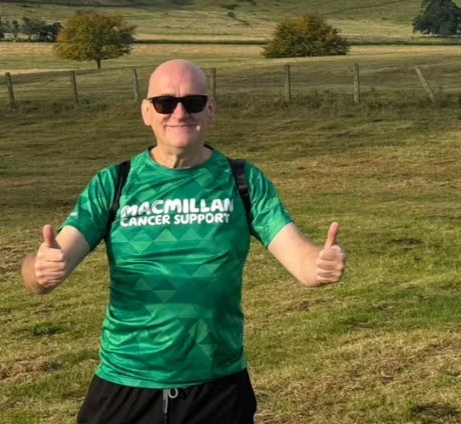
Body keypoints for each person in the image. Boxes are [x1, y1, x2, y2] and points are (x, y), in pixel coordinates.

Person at [21, 59, 346, 423]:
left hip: (217, 390)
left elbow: (301, 259)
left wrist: (319, 265)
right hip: (125, 383)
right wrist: (40, 270)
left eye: (192, 102)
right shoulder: (113, 183)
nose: (179, 112)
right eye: (164, 103)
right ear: (147, 112)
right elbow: (42, 271)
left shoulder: (243, 182)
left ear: (210, 110)